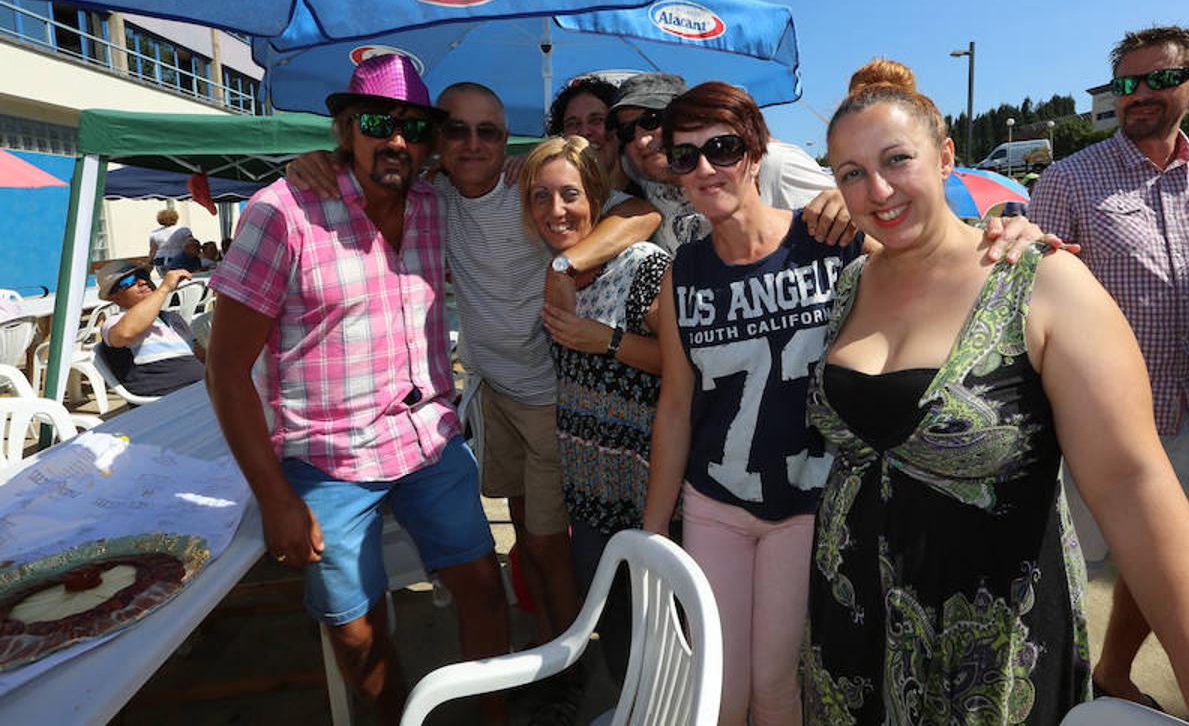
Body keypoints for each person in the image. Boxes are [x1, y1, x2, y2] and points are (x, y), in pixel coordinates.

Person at [804, 65, 1189, 725]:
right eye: (849, 173)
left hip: (992, 656)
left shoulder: (1041, 282)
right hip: (846, 636)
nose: (875, 189)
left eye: (896, 159)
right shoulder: (850, 283)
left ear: (946, 157)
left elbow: (1135, 489)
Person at [286, 76, 661, 721]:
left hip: (548, 397)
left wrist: (563, 265)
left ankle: (568, 667)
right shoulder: (430, 195)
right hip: (494, 392)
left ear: (505, 138)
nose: (472, 143)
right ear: (437, 138)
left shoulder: (528, 185)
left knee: (546, 545)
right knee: (521, 535)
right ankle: (544, 641)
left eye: (489, 130)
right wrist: (319, 160)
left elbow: (636, 209)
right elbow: (366, 171)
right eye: (456, 129)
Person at [207, 55, 510, 726]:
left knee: (486, 589)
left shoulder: (434, 203)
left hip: (428, 441)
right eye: (378, 122)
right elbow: (226, 373)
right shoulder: (282, 214)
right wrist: (274, 497)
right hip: (328, 460)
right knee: (357, 632)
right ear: (347, 129)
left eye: (415, 128)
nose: (397, 140)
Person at [1028, 25, 1189, 706]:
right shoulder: (1069, 178)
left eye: (1159, 79)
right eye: (1127, 84)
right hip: (1090, 418)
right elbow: (1032, 292)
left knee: (1160, 566)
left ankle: (1113, 672)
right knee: (1066, 564)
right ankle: (1054, 684)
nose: (1140, 96)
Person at [641, 81, 866, 726]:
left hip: (804, 501)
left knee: (773, 685)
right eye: (686, 157)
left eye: (722, 148)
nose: (706, 168)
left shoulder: (831, 240)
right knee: (717, 687)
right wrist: (654, 536)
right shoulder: (682, 273)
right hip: (715, 502)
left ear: (757, 152)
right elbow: (676, 407)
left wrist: (1006, 230)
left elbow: (936, 260)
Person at [520, 135, 670, 684]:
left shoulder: (644, 266)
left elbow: (683, 369)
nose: (555, 210)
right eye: (540, 197)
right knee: (611, 623)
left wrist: (603, 339)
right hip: (588, 491)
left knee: (662, 632)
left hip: (645, 493)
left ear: (597, 198)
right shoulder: (556, 273)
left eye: (569, 194)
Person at [607, 71, 854, 251]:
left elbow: (860, 232)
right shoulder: (644, 178)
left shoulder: (772, 164)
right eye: (627, 132)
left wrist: (847, 200)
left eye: (651, 119)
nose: (640, 140)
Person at [95, 260, 204, 397]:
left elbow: (202, 356)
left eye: (143, 275)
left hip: (202, 389)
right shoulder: (114, 322)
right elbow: (125, 334)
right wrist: (164, 288)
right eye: (130, 281)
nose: (142, 282)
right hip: (166, 400)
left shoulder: (172, 318)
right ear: (115, 297)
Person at [547, 76, 636, 195]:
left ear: (619, 127)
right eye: (573, 124)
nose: (584, 132)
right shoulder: (553, 200)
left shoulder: (654, 195)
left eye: (596, 120)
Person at [147, 208, 192, 275]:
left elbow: (153, 250)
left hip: (160, 260)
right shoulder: (183, 230)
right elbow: (191, 245)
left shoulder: (155, 233)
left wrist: (149, 262)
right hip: (178, 258)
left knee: (165, 280)